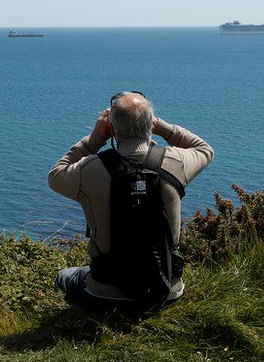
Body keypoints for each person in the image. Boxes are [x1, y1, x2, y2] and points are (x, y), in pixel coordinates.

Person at [49, 91, 214, 311]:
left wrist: (94, 140)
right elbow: (205, 149)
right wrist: (162, 127)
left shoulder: (90, 169)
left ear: (113, 128)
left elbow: (55, 176)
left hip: (106, 294)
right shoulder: (176, 162)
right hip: (167, 292)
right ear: (150, 124)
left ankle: (82, 315)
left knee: (66, 275)